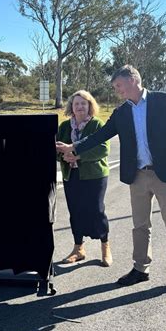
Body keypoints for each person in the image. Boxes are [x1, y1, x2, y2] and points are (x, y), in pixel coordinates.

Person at [56, 65, 166, 295]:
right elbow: (100, 135)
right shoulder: (122, 112)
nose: (116, 90)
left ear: (133, 80)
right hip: (137, 176)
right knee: (140, 226)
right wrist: (74, 147)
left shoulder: (164, 102)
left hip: (165, 175)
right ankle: (140, 269)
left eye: (118, 85)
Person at [57, 90, 112, 267]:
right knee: (75, 211)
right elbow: (57, 149)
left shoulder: (97, 124)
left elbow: (103, 149)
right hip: (71, 175)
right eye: (76, 104)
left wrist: (77, 156)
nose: (80, 107)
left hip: (95, 176)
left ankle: (105, 246)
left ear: (90, 106)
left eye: (84, 103)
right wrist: (64, 157)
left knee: (96, 210)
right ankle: (78, 249)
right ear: (71, 107)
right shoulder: (65, 127)